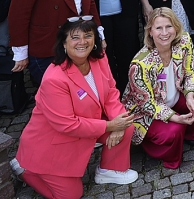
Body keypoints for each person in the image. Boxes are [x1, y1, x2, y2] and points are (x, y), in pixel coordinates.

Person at [10, 18, 137, 197]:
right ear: (64, 43)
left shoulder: (99, 59)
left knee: (127, 125)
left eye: (88, 36)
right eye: (75, 37)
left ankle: (109, 170)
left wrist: (120, 122)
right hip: (53, 143)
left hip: (86, 126)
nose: (82, 42)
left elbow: (110, 93)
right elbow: (67, 125)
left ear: (95, 40)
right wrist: (110, 126)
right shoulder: (54, 78)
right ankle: (24, 169)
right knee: (72, 195)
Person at [122, 9, 194, 170]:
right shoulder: (140, 64)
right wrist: (174, 117)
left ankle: (193, 134)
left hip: (174, 97)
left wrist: (190, 96)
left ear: (176, 27)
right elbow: (146, 105)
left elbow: (191, 73)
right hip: (147, 114)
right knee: (174, 129)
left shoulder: (184, 41)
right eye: (158, 28)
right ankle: (163, 146)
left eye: (169, 26)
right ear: (150, 31)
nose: (164, 33)